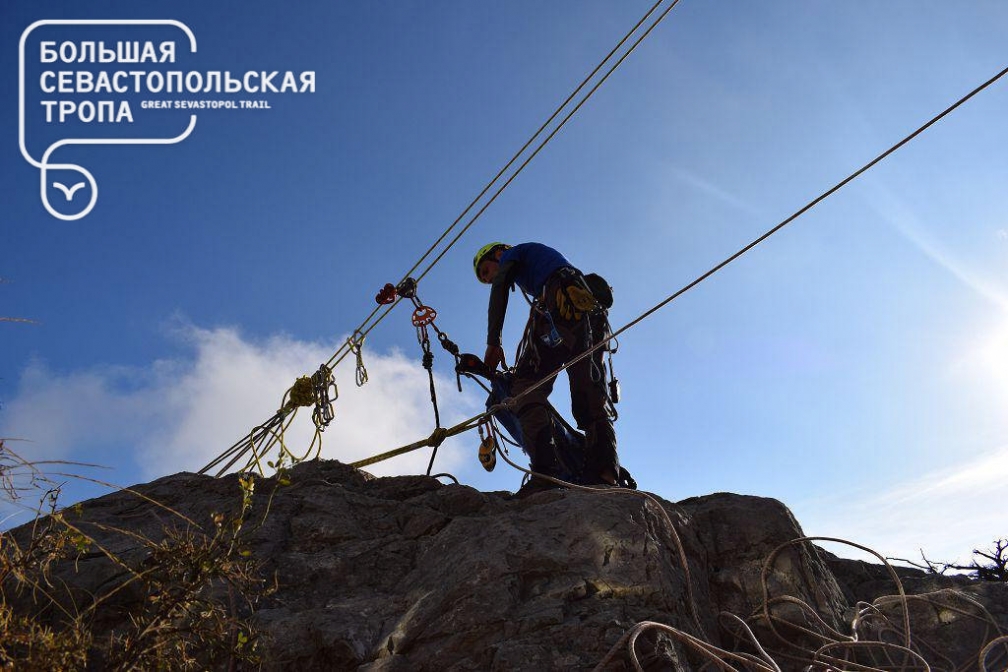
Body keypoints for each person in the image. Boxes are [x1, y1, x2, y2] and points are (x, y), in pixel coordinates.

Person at [473, 241, 619, 496]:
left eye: (487, 271)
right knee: (588, 388)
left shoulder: (513, 254)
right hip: (584, 309)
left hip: (559, 299)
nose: (489, 279)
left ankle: (546, 472)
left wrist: (494, 342)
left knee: (525, 388)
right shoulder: (541, 265)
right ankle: (605, 473)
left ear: (498, 254)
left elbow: (500, 285)